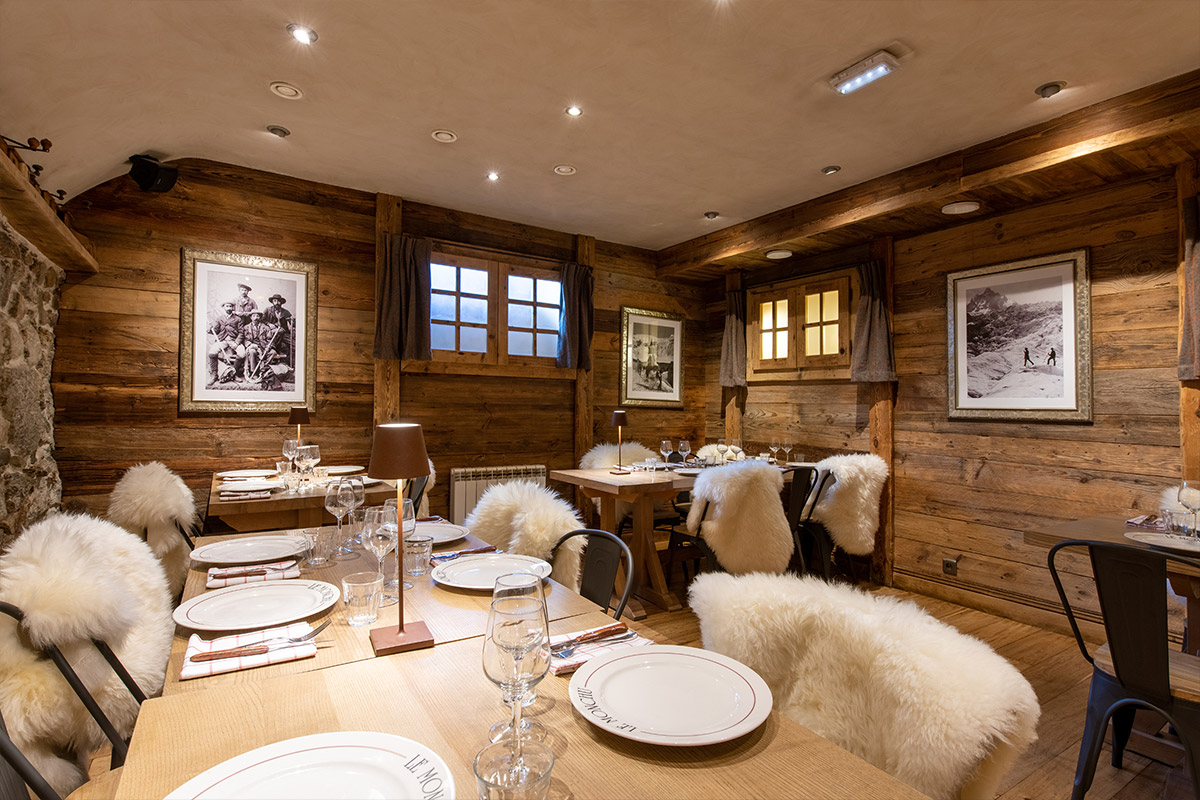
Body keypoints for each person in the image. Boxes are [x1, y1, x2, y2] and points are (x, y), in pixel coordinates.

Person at [207, 302, 244, 384]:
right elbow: (216, 331)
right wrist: (210, 329)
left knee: (242, 353)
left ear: (233, 308)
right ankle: (214, 374)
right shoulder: (220, 318)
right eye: (227, 306)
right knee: (212, 352)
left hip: (234, 340)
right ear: (224, 308)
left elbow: (241, 333)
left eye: (230, 306)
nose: (229, 308)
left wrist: (236, 343)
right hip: (222, 340)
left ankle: (234, 373)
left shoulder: (238, 319)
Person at [241, 310, 275, 380]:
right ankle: (254, 371)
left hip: (263, 346)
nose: (256, 318)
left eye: (257, 316)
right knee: (252, 352)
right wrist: (250, 344)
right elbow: (245, 339)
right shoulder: (246, 328)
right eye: (254, 316)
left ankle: (264, 370)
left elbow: (270, 339)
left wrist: (269, 346)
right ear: (251, 317)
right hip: (252, 346)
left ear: (260, 317)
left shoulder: (265, 327)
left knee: (273, 352)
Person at [262, 293, 292, 363]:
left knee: (293, 345)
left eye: (279, 301)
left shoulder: (285, 312)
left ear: (281, 303)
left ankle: (288, 362)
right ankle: (273, 356)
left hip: (283, 332)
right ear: (272, 302)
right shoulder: (268, 310)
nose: (277, 303)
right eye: (275, 301)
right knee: (271, 342)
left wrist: (291, 320)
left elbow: (292, 323)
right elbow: (262, 320)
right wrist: (269, 324)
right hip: (271, 331)